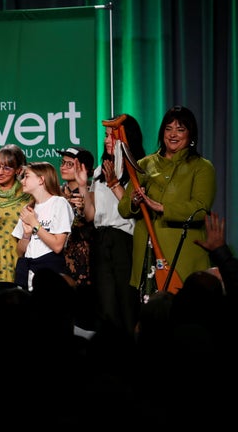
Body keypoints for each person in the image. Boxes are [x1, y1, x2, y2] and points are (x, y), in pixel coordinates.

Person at [118, 105, 216, 299]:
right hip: (148, 252)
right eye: (169, 128)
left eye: (180, 129)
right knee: (150, 317)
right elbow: (123, 208)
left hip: (182, 254)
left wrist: (163, 208)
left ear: (191, 135)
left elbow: (201, 208)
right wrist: (135, 202)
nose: (173, 134)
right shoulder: (145, 164)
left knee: (181, 311)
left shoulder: (202, 167)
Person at [80, 113, 147, 335]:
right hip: (101, 239)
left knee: (127, 302)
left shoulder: (139, 169)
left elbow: (132, 209)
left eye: (113, 135)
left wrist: (115, 184)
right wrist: (83, 185)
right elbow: (91, 215)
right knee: (105, 302)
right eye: (106, 136)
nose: (107, 140)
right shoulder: (100, 171)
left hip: (125, 241)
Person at [12, 162, 74, 290]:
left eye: (26, 176)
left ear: (41, 180)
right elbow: (19, 251)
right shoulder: (28, 208)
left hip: (50, 273)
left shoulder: (59, 203)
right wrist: (26, 235)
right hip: (27, 272)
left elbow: (57, 246)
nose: (22, 181)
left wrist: (34, 224)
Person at [57, 146, 97, 330]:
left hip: (87, 265)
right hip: (60, 263)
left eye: (69, 164)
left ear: (84, 169)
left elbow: (91, 219)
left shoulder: (92, 192)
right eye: (62, 162)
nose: (63, 167)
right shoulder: (56, 193)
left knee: (85, 318)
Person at [0, 144, 31, 285]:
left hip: (20, 267)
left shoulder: (28, 196)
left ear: (19, 170)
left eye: (7, 168)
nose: (0, 172)